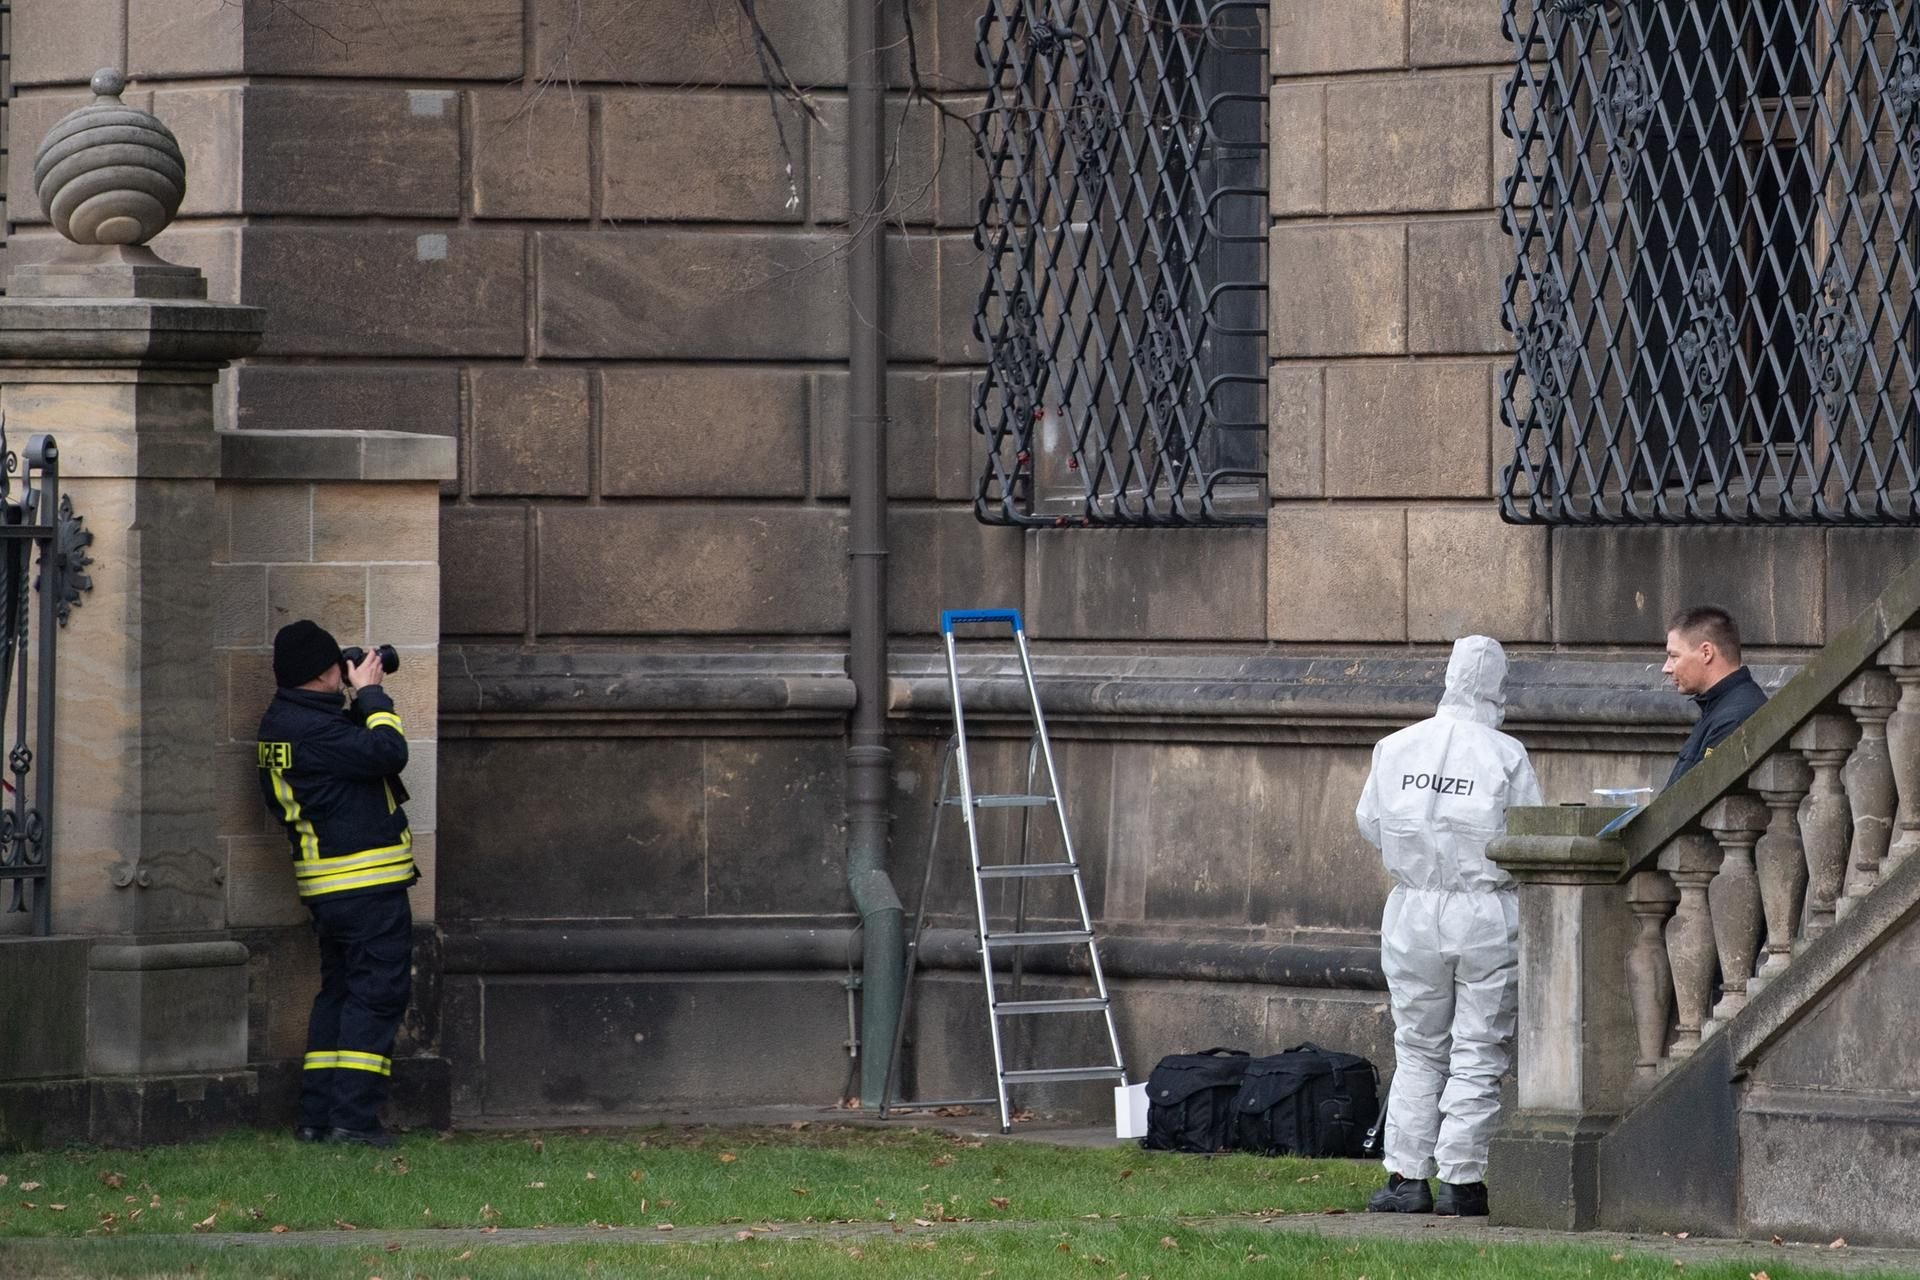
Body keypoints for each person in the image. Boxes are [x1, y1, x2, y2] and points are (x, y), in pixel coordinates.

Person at [1355, 635, 1542, 1217]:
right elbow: (1528, 834)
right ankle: (1462, 1181)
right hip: (1485, 911)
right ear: (1497, 687)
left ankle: (1406, 1176)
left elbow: (1371, 823)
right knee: (1478, 1047)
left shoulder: (1396, 747)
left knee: (1417, 1046)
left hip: (1413, 911)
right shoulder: (1505, 753)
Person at [257, 620, 415, 1148]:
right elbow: (388, 751)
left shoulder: (283, 723)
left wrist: (351, 697)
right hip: (366, 886)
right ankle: (354, 1122)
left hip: (328, 889)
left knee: (340, 995)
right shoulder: (316, 731)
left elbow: (345, 752)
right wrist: (370, 694)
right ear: (327, 671)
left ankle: (317, 1117)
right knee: (376, 997)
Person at [1663, 604, 1767, 788]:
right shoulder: (1720, 708)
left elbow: (1700, 795)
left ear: (1706, 653)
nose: (1666, 668)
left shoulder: (1734, 718)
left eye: (1674, 656)